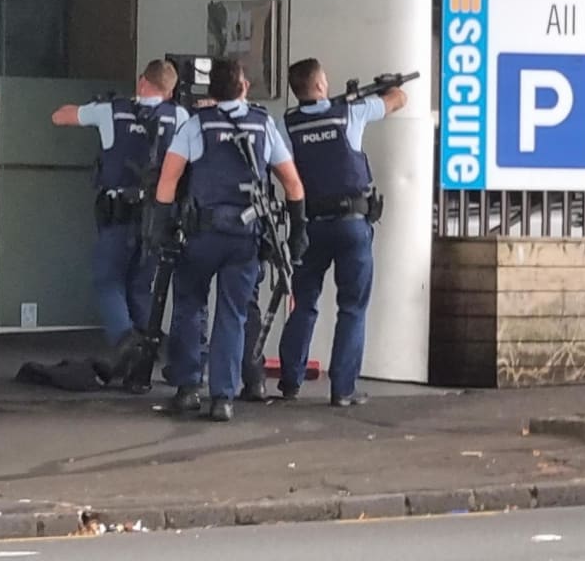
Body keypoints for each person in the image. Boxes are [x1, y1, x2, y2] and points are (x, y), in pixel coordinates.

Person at [148, 59, 307, 422]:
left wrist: (160, 226)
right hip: (245, 238)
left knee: (189, 305)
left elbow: (169, 180)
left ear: (212, 91)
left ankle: (188, 389)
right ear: (243, 87)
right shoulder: (264, 123)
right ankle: (223, 398)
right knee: (232, 315)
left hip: (201, 234)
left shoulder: (195, 125)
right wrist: (298, 231)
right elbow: (293, 183)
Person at [275, 58, 408, 407]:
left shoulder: (286, 124)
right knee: (352, 307)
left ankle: (290, 382)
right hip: (351, 225)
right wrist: (389, 86)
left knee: (303, 303)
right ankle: (343, 389)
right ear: (320, 85)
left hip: (310, 226)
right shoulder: (351, 113)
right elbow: (398, 101)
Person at [51, 60, 190, 370]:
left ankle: (125, 340)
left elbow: (61, 117)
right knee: (142, 287)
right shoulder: (180, 116)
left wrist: (91, 107)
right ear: (169, 92)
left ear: (142, 82)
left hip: (118, 214)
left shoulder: (111, 110)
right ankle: (151, 355)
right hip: (158, 216)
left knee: (108, 280)